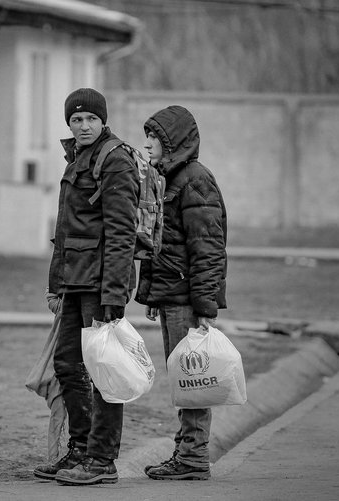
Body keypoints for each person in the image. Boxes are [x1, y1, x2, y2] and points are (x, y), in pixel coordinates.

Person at [33, 88, 140, 486]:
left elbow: (121, 233)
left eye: (90, 119)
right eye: (76, 120)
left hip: (100, 286)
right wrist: (55, 284)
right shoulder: (79, 157)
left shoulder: (115, 161)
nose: (82, 126)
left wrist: (114, 295)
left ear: (102, 120)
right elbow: (64, 231)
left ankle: (101, 460)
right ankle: (79, 450)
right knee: (67, 364)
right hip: (74, 282)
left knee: (103, 373)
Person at [135, 105, 227, 480]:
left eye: (155, 136)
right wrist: (154, 294)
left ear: (172, 141)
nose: (148, 143)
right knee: (185, 377)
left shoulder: (194, 180)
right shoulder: (167, 178)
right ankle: (187, 452)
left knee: (193, 378)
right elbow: (160, 242)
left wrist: (205, 308)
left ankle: (192, 457)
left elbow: (208, 247)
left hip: (187, 300)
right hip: (172, 295)